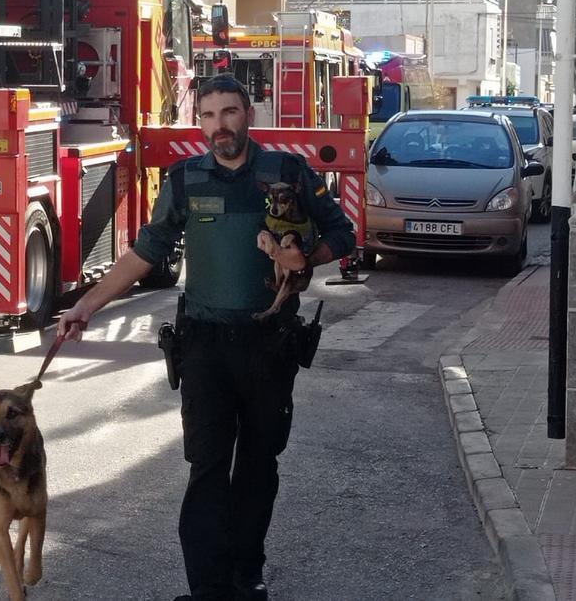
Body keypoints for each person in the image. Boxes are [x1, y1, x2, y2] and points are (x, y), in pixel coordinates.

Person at [56, 76, 354, 600]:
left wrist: (306, 258)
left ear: (249, 116)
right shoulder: (185, 180)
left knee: (260, 464)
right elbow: (145, 252)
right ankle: (209, 589)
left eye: (230, 113)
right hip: (206, 347)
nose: (221, 125)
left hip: (269, 346)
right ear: (201, 124)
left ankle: (247, 572)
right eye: (210, 115)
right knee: (208, 467)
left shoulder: (287, 172)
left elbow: (342, 232)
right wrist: (84, 306)